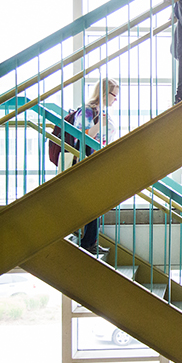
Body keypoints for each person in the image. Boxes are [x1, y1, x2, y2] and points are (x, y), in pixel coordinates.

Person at [71, 77, 119, 256]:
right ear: (105, 93)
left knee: (97, 203)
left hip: (99, 162)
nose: (116, 99)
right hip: (88, 162)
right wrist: (100, 125)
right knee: (93, 203)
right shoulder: (88, 110)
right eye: (114, 95)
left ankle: (91, 240)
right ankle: (88, 242)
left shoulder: (102, 111)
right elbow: (80, 136)